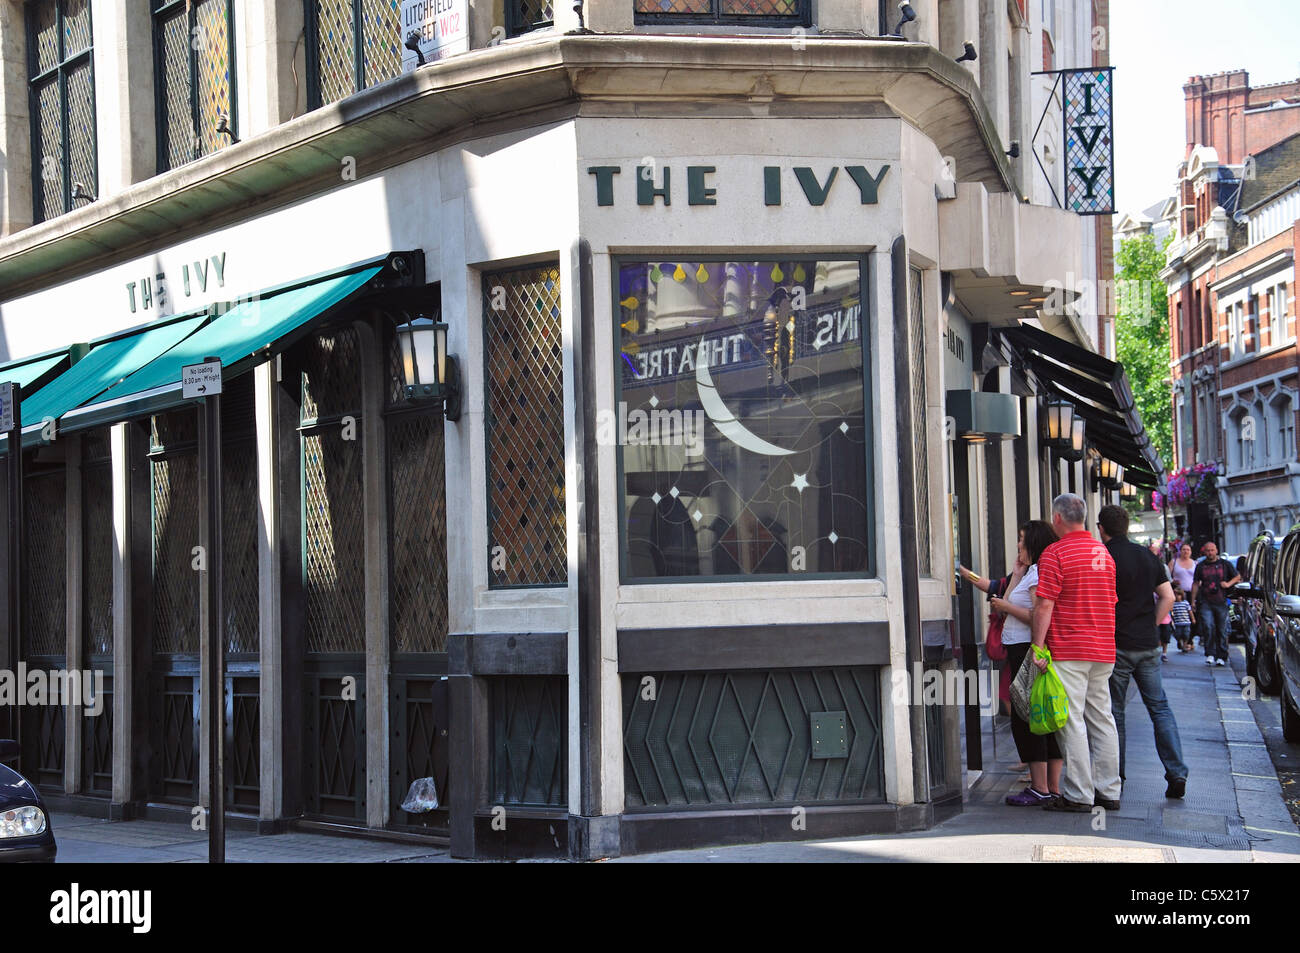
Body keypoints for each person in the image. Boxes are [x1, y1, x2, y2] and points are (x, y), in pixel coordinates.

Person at [1031, 493, 1122, 812]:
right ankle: (1109, 790)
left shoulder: (1054, 553)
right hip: (1104, 648)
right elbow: (1111, 601)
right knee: (1102, 717)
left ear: (1057, 518)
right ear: (1083, 517)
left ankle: (1079, 793)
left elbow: (1044, 604)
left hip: (1069, 648)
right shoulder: (1104, 554)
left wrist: (1037, 646)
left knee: (1072, 721)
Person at [1098, 505, 1188, 799]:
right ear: (1126, 526)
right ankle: (1176, 772)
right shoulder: (1148, 556)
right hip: (1147, 645)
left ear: (1102, 528)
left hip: (1117, 645)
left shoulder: (1104, 557)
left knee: (1115, 714)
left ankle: (1116, 777)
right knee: (1160, 709)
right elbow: (1168, 596)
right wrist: (1149, 624)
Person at [988, 521, 1063, 806]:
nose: (1018, 545)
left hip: (1028, 651)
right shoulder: (1030, 572)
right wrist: (1016, 577)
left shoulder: (1040, 572)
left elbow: (1036, 615)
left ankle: (1041, 787)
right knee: (1038, 714)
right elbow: (1003, 604)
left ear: (1033, 541)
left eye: (1021, 539)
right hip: (1024, 651)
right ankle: (1050, 787)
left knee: (1029, 718)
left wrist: (1006, 607)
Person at [1191, 542, 1241, 667]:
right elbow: (1196, 583)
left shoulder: (1225, 564)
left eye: (1212, 550)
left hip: (1221, 601)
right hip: (1205, 601)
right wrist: (1192, 601)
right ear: (1204, 552)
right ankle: (1210, 653)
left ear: (1216, 550)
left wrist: (1228, 584)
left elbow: (1237, 577)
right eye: (1207, 550)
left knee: (1222, 629)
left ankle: (1222, 656)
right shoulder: (1201, 566)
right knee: (1208, 627)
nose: (1210, 552)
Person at [1169, 543, 1197, 650]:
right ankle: (1180, 639)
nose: (1186, 551)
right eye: (1184, 549)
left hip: (1191, 593)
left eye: (1188, 549)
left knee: (1192, 616)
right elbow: (1167, 576)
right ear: (1180, 551)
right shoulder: (1174, 562)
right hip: (1179, 593)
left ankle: (1189, 640)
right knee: (1178, 616)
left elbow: (1198, 579)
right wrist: (1173, 581)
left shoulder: (1195, 563)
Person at [1171, 587, 1193, 651]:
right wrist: (1172, 619)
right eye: (1175, 595)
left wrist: (1193, 619)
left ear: (1182, 595)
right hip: (1178, 623)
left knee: (1186, 634)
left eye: (1178, 595)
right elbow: (1171, 612)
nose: (1177, 596)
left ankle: (1184, 645)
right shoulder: (1173, 604)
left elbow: (1190, 611)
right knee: (1178, 634)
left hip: (1186, 622)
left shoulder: (1185, 603)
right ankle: (1179, 641)